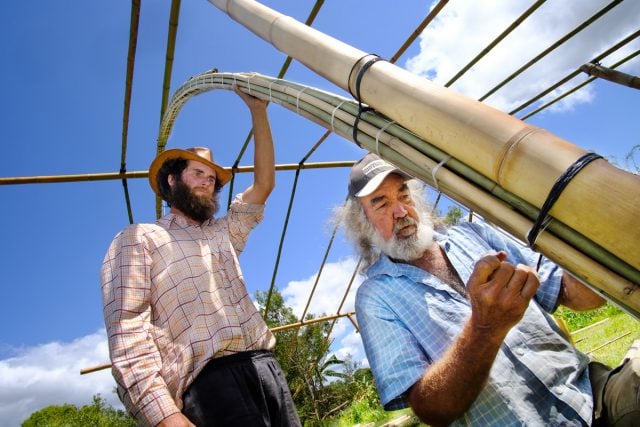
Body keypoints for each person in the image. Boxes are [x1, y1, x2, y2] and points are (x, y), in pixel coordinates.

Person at [335, 152, 639, 426]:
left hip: (590, 392)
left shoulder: (472, 234)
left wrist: (612, 249)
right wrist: (484, 328)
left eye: (404, 195)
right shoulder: (376, 296)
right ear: (363, 223)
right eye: (381, 204)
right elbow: (431, 410)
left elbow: (568, 290)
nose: (401, 211)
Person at [101, 88, 301, 427]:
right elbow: (128, 330)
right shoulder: (140, 238)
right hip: (209, 388)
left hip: (266, 368)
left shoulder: (223, 233)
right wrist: (165, 418)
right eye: (198, 173)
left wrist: (259, 113)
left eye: (212, 178)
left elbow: (264, 185)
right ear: (171, 179)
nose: (208, 182)